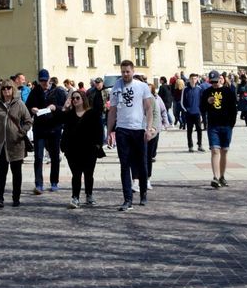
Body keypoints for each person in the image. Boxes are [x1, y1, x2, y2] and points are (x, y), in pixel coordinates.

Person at [105, 60, 153, 211]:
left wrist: (149, 128)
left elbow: (149, 108)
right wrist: (109, 131)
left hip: (139, 129)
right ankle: (128, 199)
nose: (125, 74)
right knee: (124, 164)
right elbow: (112, 111)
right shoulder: (116, 88)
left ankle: (143, 192)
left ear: (133, 71)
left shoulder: (142, 86)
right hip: (122, 129)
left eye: (128, 71)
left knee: (142, 164)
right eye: (123, 72)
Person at [0, 81, 32, 208]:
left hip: (16, 144)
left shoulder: (19, 104)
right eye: (4, 88)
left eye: (9, 88)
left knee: (16, 173)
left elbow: (28, 121)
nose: (6, 90)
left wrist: (22, 132)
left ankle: (16, 198)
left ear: (13, 90)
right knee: (1, 172)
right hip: (1, 145)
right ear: (1, 91)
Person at [26, 68, 66, 194]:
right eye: (41, 81)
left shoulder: (58, 91)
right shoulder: (35, 91)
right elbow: (27, 106)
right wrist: (32, 109)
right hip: (40, 128)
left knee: (54, 156)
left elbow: (64, 109)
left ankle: (54, 182)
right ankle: (39, 184)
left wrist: (55, 107)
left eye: (45, 80)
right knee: (38, 156)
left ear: (49, 79)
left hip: (54, 128)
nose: (44, 83)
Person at [60, 88, 102, 208]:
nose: (75, 100)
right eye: (73, 98)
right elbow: (63, 127)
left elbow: (99, 130)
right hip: (73, 150)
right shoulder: (69, 114)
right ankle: (75, 197)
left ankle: (89, 195)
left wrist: (98, 145)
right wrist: (65, 107)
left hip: (89, 149)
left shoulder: (92, 113)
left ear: (83, 99)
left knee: (89, 174)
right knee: (76, 174)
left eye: (77, 98)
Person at [201, 71, 237, 189]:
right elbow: (202, 108)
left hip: (226, 125)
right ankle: (215, 177)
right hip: (213, 125)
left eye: (216, 81)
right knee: (215, 150)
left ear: (220, 79)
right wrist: (207, 102)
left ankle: (222, 176)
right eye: (212, 82)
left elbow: (233, 108)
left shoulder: (228, 91)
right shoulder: (207, 92)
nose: (214, 84)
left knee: (224, 151)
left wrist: (231, 124)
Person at [144, 78, 173, 176]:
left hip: (156, 127)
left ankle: (152, 155)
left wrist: (165, 123)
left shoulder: (157, 98)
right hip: (144, 128)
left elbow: (163, 111)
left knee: (153, 145)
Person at [181, 74, 206, 152]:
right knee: (189, 130)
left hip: (197, 113)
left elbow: (202, 101)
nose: (193, 80)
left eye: (195, 78)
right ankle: (190, 146)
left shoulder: (199, 89)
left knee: (199, 130)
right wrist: (186, 110)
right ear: (189, 79)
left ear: (197, 79)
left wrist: (200, 112)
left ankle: (200, 145)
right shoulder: (185, 89)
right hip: (189, 113)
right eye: (192, 78)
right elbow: (182, 102)